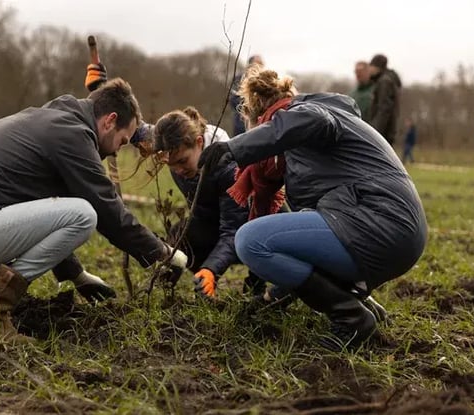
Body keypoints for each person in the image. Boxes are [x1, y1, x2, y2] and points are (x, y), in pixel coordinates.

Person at [0, 78, 188, 342]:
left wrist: (77, 275)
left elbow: (36, 221)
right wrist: (161, 254)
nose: (116, 151)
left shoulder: (54, 120)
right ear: (110, 120)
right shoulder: (73, 135)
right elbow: (108, 211)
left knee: (2, 209)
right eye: (122, 141)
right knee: (84, 214)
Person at [198, 66, 427, 351]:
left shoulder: (308, 111)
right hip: (396, 232)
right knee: (299, 229)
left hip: (379, 222)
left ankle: (351, 318)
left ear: (262, 120)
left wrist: (236, 147)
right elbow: (305, 251)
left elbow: (311, 120)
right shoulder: (306, 143)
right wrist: (273, 298)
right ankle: (359, 304)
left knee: (251, 240)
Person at [151, 106, 268, 298]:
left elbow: (233, 230)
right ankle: (204, 285)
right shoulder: (174, 151)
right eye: (171, 165)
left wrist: (211, 269)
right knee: (180, 236)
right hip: (213, 221)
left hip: (250, 229)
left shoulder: (228, 168)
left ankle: (257, 279)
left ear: (199, 142)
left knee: (250, 241)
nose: (178, 170)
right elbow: (141, 131)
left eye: (182, 161)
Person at [368, 54, 402, 146]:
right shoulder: (385, 80)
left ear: (377, 67)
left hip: (383, 133)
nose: (369, 69)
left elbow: (384, 109)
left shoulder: (384, 82)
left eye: (371, 66)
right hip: (387, 131)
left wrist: (374, 132)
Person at [229, 55, 264, 136]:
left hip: (261, 125)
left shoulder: (265, 81)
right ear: (250, 65)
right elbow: (233, 99)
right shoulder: (239, 79)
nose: (261, 66)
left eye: (262, 64)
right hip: (241, 124)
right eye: (258, 63)